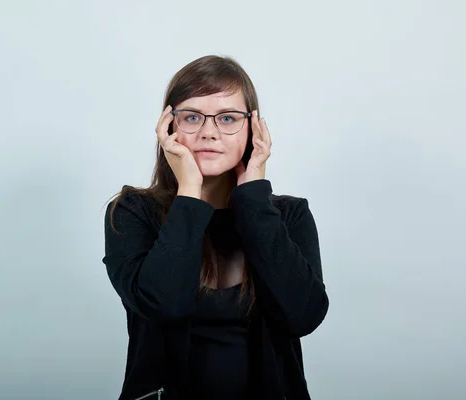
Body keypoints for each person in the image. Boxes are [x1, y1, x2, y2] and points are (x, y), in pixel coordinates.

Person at [102, 55, 329, 400]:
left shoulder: (289, 215)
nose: (209, 132)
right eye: (192, 117)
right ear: (168, 127)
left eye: (227, 118)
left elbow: (302, 316)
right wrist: (189, 192)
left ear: (254, 129)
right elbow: (163, 305)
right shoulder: (133, 211)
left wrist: (253, 200)